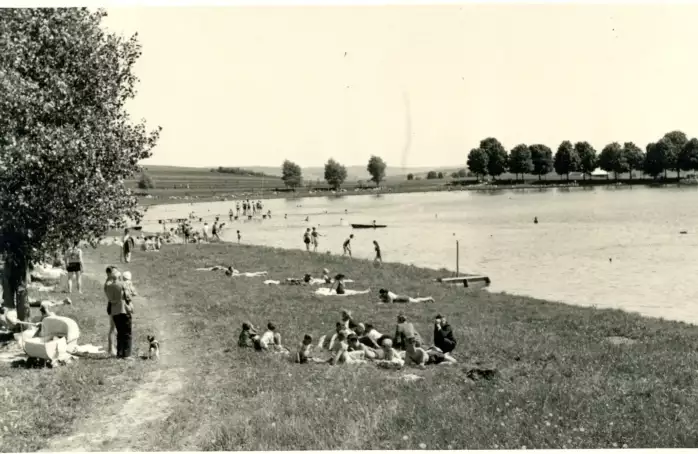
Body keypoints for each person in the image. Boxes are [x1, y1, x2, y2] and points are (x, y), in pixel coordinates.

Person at [104, 266, 134, 359]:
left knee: (119, 332)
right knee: (127, 332)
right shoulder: (122, 284)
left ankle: (119, 353)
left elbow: (107, 287)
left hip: (114, 310)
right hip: (123, 309)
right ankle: (127, 354)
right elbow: (129, 295)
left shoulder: (108, 286)